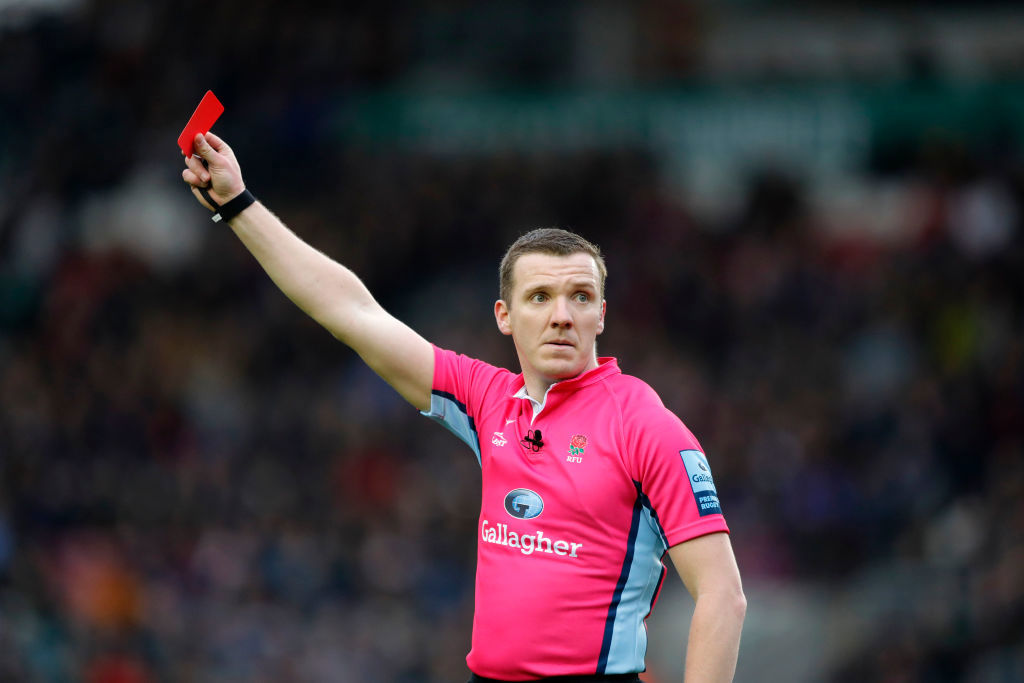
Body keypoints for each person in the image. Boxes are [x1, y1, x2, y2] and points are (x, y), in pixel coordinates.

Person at [181, 131, 746, 682]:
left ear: (602, 315)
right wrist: (237, 204)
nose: (562, 316)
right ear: (504, 315)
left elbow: (723, 595)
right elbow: (351, 312)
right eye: (540, 297)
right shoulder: (487, 400)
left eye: (581, 297)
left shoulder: (645, 426)